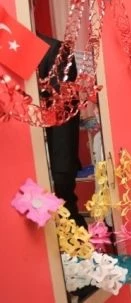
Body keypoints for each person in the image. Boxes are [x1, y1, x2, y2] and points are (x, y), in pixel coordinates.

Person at [38, 34, 87, 229]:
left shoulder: (53, 50)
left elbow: (65, 114)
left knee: (66, 214)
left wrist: (62, 172)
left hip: (53, 157)